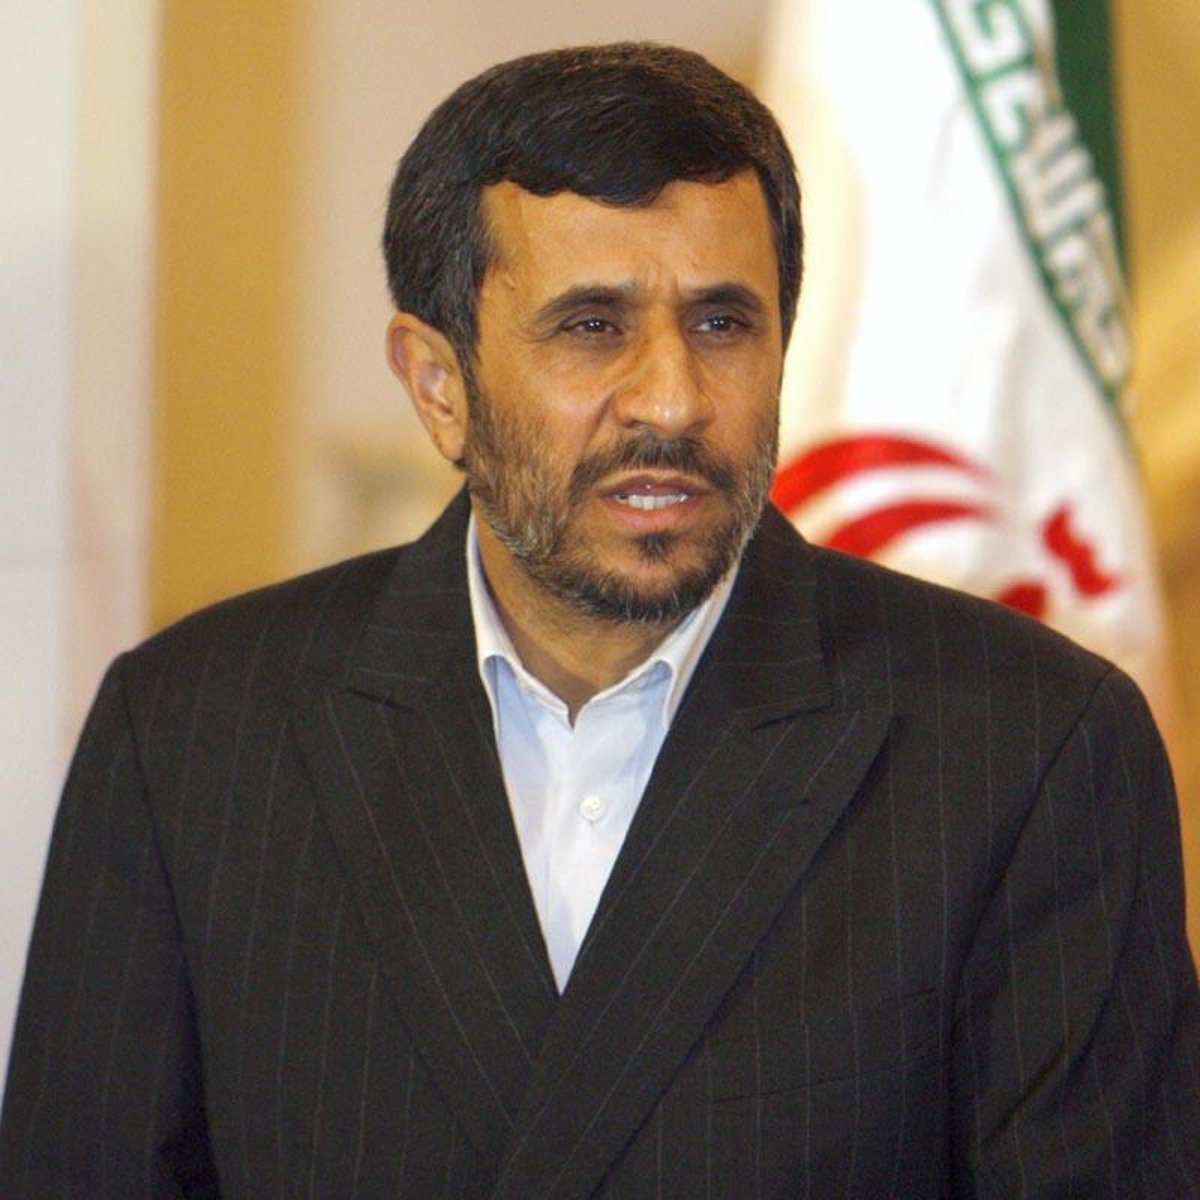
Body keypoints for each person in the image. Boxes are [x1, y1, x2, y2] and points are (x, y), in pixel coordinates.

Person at [1, 41, 1197, 1200]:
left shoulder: (1029, 747)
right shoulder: (191, 739)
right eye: (592, 326)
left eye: (723, 323)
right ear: (438, 385)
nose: (672, 400)